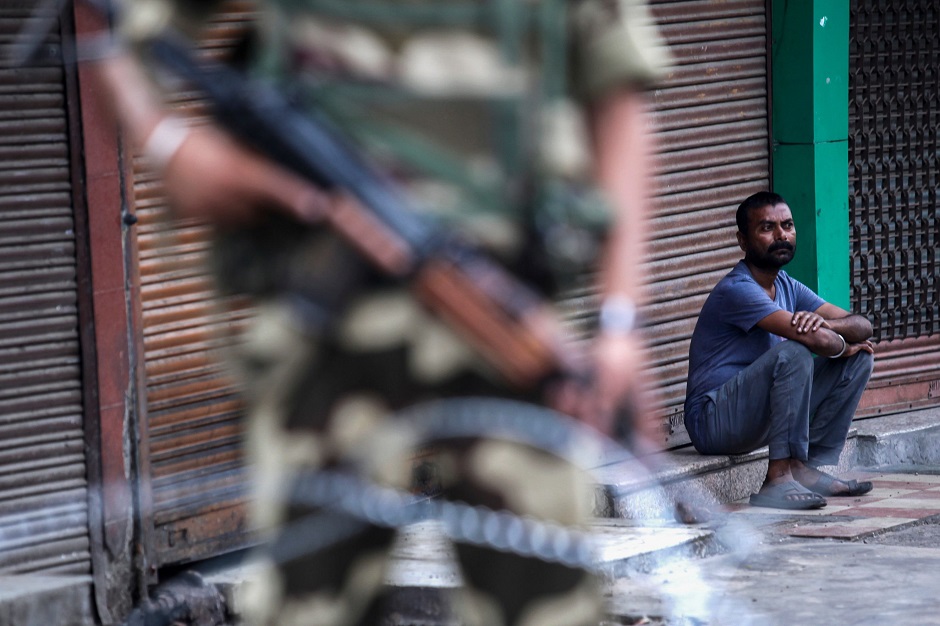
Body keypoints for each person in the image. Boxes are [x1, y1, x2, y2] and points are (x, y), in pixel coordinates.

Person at [85, 0, 671, 624]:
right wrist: (170, 144)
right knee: (304, 610)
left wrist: (619, 322)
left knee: (549, 608)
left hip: (506, 329)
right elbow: (122, 34)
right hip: (325, 331)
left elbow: (621, 102)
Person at [683, 191, 875, 511]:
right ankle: (777, 478)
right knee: (796, 353)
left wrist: (836, 334)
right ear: (742, 241)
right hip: (714, 421)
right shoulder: (738, 289)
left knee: (860, 358)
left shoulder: (786, 284)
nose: (781, 235)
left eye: (787, 225)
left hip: (755, 416)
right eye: (767, 228)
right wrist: (835, 340)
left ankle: (804, 468)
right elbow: (821, 344)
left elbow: (863, 326)